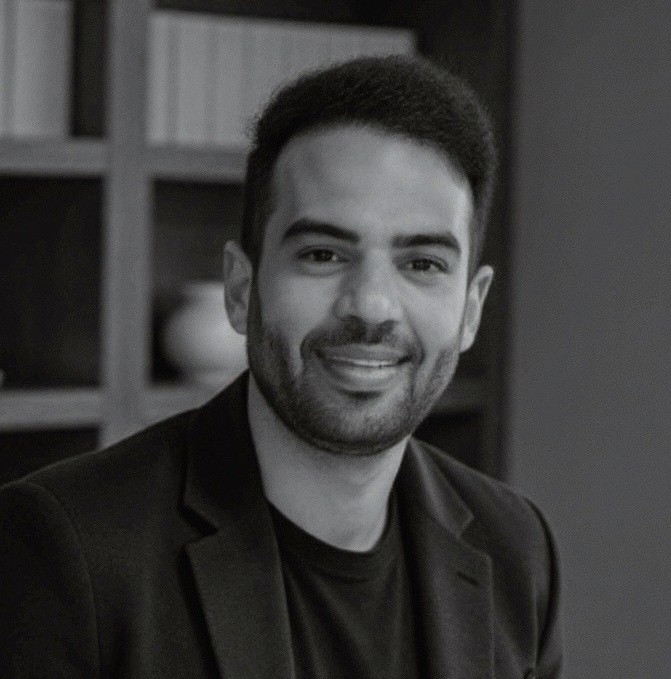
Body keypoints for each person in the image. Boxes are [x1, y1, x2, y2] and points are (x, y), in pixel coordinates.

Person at [0, 55, 561, 678]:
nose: (371, 306)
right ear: (242, 289)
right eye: (323, 254)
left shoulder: (517, 550)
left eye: (423, 264)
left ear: (471, 309)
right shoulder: (67, 551)